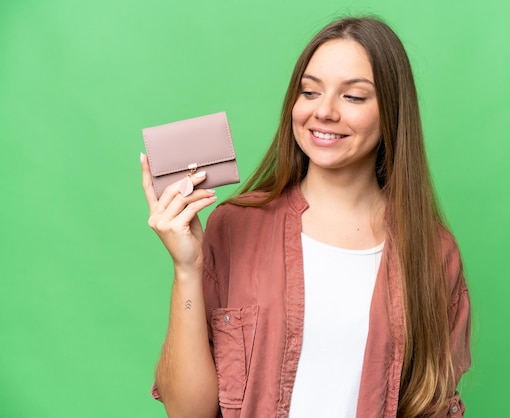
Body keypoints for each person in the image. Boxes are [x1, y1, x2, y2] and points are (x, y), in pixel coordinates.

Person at [140, 16, 470, 418]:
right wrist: (187, 268)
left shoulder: (433, 253)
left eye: (354, 97)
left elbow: (432, 405)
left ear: (391, 112)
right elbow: (187, 413)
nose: (324, 112)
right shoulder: (235, 226)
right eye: (310, 91)